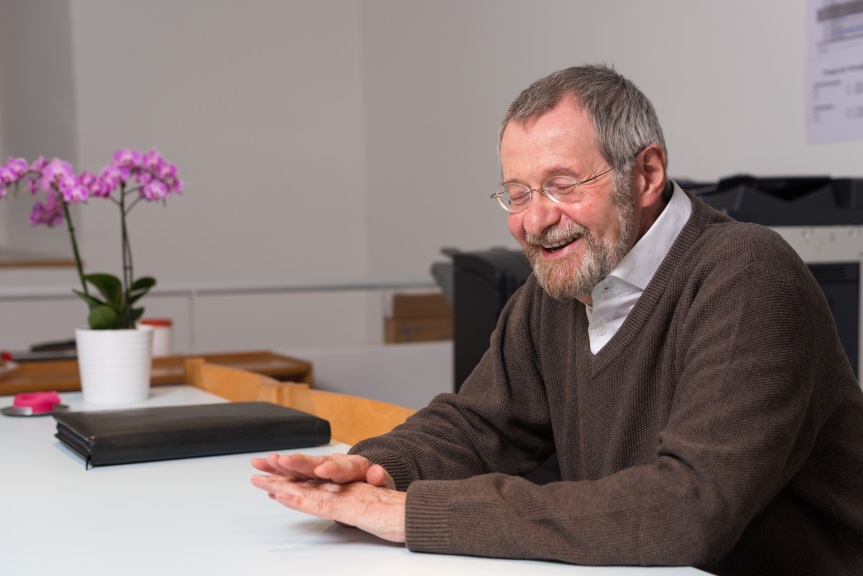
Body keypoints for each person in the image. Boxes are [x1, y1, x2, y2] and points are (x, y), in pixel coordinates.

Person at [250, 64, 863, 574]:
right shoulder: (563, 284)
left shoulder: (747, 273)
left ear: (647, 174)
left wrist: (412, 514)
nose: (534, 220)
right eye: (517, 193)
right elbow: (480, 425)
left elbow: (687, 512)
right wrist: (373, 468)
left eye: (562, 185)